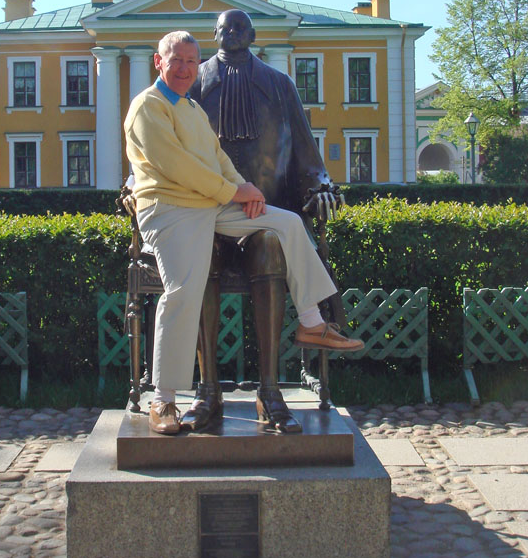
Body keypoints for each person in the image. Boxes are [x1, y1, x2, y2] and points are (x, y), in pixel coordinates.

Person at [124, 30, 362, 436]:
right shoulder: (148, 106)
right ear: (158, 62)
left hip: (208, 204)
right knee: (182, 291)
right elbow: (176, 166)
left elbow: (217, 158)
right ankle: (163, 399)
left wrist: (246, 190)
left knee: (287, 223)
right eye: (176, 60)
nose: (184, 69)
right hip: (170, 210)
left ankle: (311, 321)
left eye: (191, 61)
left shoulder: (191, 108)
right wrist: (233, 192)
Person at [188, 8, 349, 432]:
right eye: (225, 27)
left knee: (272, 247)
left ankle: (270, 391)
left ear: (254, 35)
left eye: (240, 27)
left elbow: (305, 150)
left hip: (265, 215)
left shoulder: (279, 85)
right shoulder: (194, 83)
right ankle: (207, 391)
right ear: (213, 34)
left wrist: (320, 185)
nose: (232, 33)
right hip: (208, 214)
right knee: (201, 251)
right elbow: (161, 148)